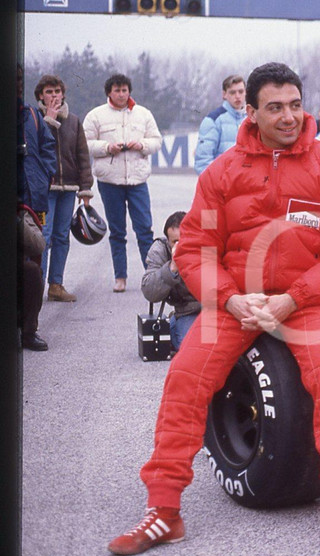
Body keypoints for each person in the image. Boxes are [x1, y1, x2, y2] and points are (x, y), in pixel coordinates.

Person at [107, 62, 320, 556]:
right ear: (249, 111)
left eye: (295, 105)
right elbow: (194, 250)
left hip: (304, 301)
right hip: (236, 303)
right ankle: (164, 510)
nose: (289, 116)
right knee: (185, 377)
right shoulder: (222, 172)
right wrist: (230, 298)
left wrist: (294, 297)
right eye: (275, 107)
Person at [83, 73, 163, 293]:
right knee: (117, 231)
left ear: (129, 91)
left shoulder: (143, 114)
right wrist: (107, 147)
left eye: (124, 90)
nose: (121, 94)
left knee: (144, 229)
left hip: (137, 180)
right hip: (110, 181)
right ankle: (120, 277)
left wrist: (142, 144)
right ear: (109, 92)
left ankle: (151, 275)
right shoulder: (95, 115)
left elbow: (157, 141)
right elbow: (85, 144)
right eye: (117, 90)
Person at [35, 73, 94, 303]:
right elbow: (38, 147)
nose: (53, 96)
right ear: (41, 95)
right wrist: (48, 119)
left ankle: (56, 285)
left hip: (68, 188)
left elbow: (82, 156)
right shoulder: (34, 118)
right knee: (43, 236)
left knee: (61, 236)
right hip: (45, 189)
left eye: (57, 91)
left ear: (63, 94)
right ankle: (36, 286)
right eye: (49, 92)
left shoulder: (74, 120)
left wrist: (85, 190)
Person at [18, 63, 56, 352]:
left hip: (29, 206)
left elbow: (46, 147)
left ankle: (29, 330)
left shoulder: (31, 114)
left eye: (19, 79)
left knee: (34, 266)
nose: (16, 84)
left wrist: (44, 177)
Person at [141, 211, 201, 350]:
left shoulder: (207, 244)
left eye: (185, 239)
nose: (181, 246)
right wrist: (172, 267)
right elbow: (149, 292)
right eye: (175, 241)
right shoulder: (160, 250)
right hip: (187, 310)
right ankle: (174, 327)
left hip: (214, 309)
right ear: (168, 241)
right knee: (190, 348)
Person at [194, 74, 247, 175]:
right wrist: (219, 185)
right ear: (224, 94)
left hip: (247, 184)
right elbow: (202, 162)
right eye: (232, 92)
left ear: (246, 92)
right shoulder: (213, 120)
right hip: (223, 186)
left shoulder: (252, 119)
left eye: (241, 91)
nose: (237, 96)